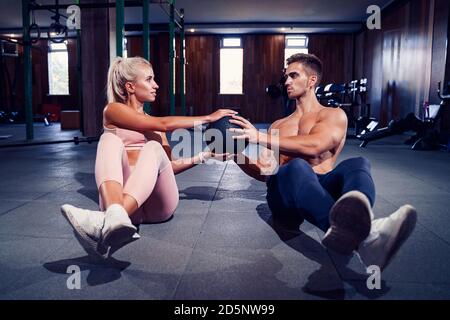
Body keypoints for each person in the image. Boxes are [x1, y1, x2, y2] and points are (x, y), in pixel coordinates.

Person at [229, 53, 417, 271]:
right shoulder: (278, 125)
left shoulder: (333, 115)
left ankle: (360, 231)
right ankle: (367, 237)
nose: (286, 82)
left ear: (312, 80)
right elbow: (265, 171)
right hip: (284, 202)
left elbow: (315, 145)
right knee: (296, 165)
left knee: (358, 163)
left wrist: (259, 136)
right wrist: (237, 156)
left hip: (322, 188)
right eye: (285, 77)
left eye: (293, 75)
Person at [61, 56, 236, 259]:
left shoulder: (155, 125)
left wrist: (205, 155)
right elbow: (163, 124)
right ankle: (115, 215)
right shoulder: (113, 110)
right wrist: (207, 118)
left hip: (157, 205)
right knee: (108, 141)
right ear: (130, 86)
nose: (156, 85)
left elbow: (168, 167)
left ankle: (106, 219)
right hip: (124, 203)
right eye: (149, 79)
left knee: (153, 147)